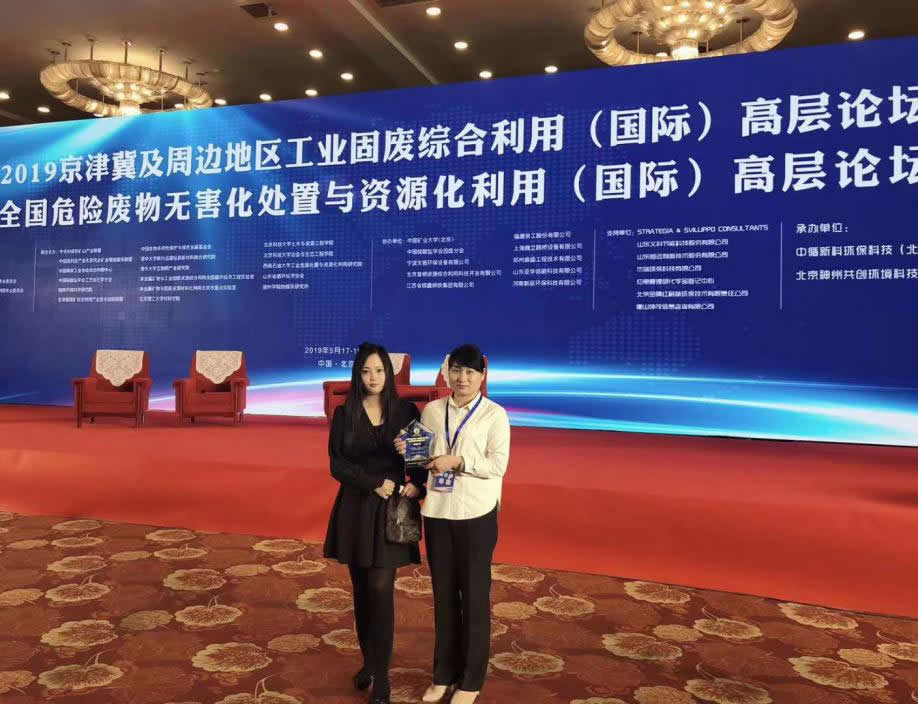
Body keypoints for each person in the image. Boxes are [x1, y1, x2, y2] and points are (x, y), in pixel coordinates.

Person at [396, 344, 510, 704]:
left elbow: (498, 465)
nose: (462, 378)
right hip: (438, 512)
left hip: (476, 513)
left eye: (470, 372)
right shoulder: (432, 411)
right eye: (456, 370)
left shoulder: (494, 415)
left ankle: (470, 681)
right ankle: (443, 674)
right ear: (447, 373)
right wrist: (408, 450)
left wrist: (459, 461)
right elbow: (420, 458)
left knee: (474, 598)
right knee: (443, 597)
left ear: (482, 376)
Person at [324, 342, 426, 704]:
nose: (373, 378)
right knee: (362, 592)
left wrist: (413, 477)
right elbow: (337, 465)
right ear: (358, 374)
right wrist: (373, 483)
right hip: (355, 509)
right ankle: (368, 662)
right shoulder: (345, 413)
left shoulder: (406, 411)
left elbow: (419, 464)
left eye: (379, 370)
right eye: (366, 371)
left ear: (389, 373)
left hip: (391, 513)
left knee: (381, 591)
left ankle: (382, 678)